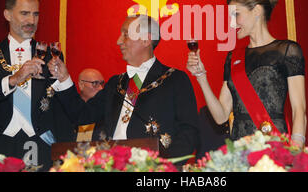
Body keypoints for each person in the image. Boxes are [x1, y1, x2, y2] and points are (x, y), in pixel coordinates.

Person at [51, 15, 199, 161]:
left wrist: (164, 165)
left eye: (126, 35)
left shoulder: (174, 79)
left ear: (146, 40)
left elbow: (189, 132)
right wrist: (64, 79)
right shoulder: (115, 83)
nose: (119, 41)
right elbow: (82, 116)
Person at [0, 0, 75, 170]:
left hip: (42, 148)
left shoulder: (52, 57)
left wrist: (65, 154)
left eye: (35, 14)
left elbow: (65, 110)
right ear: (7, 15)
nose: (31, 21)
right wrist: (12, 80)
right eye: (24, 14)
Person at [187, 0, 307, 147]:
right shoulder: (234, 57)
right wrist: (201, 77)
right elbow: (221, 116)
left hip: (276, 147)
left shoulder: (287, 50)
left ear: (257, 11)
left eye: (236, 15)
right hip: (240, 152)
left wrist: (296, 149)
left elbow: (299, 110)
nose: (232, 24)